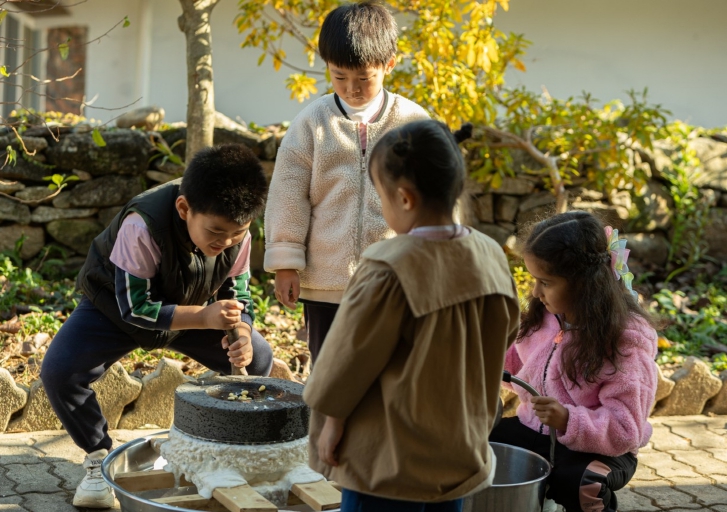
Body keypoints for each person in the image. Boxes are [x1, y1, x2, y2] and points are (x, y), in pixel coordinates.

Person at [303, 119, 520, 512]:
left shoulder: (389, 267)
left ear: (404, 198)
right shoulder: (490, 256)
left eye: (381, 197)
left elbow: (348, 358)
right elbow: (506, 331)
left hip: (389, 459)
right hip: (457, 448)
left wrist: (332, 421)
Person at [41, 144, 274, 509]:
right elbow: (135, 308)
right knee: (59, 371)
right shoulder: (142, 224)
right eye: (216, 231)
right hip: (115, 309)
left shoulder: (236, 233)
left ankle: (234, 453)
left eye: (237, 232)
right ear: (184, 209)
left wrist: (241, 332)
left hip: (194, 311)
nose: (226, 242)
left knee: (257, 359)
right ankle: (99, 458)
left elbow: (238, 294)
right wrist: (203, 317)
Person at [264, 1, 430, 363]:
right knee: (329, 368)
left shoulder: (414, 123)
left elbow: (434, 197)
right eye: (339, 77)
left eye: (364, 78)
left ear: (388, 64)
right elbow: (288, 195)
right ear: (327, 65)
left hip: (393, 279)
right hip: (326, 282)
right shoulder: (311, 122)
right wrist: (286, 263)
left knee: (393, 366)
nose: (351, 88)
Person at [490, 211, 659, 512]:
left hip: (599, 447)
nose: (535, 292)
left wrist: (568, 420)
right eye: (534, 280)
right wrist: (483, 359)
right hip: (535, 429)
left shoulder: (625, 339)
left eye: (545, 282)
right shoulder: (545, 316)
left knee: (584, 483)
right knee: (476, 448)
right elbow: (517, 362)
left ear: (584, 284)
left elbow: (626, 427)